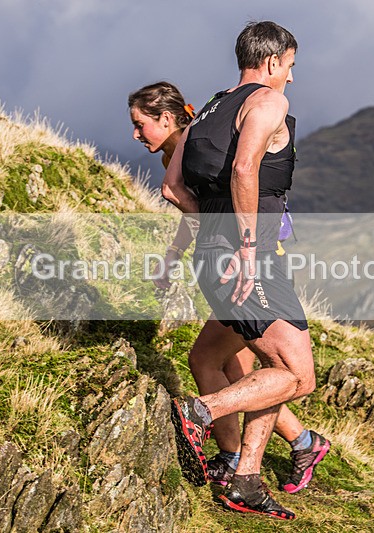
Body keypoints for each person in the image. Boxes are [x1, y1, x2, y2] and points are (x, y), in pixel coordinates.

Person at [127, 81, 329, 498]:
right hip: (229, 258)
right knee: (221, 360)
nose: (135, 134)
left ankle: (277, 447)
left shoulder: (192, 148)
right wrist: (173, 254)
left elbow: (190, 201)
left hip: (241, 260)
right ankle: (270, 450)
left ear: (167, 119)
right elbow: (196, 213)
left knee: (264, 365)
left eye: (140, 124)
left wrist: (210, 241)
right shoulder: (186, 145)